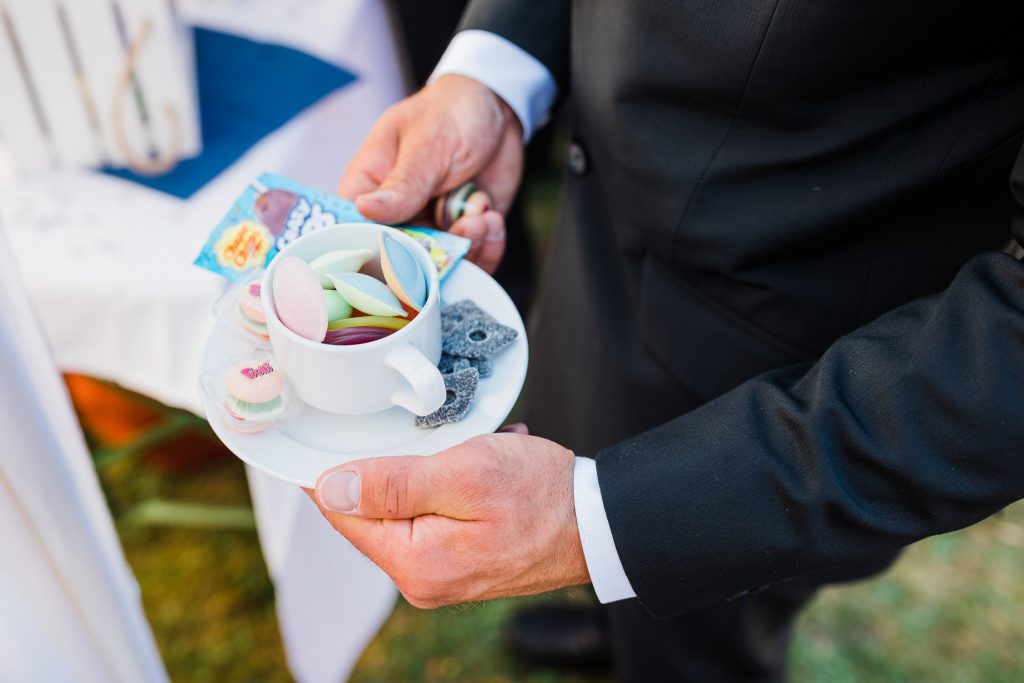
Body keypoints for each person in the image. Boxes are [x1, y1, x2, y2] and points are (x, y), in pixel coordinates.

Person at [309, 2, 1024, 681]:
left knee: (700, 637)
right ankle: (616, 622)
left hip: (773, 396)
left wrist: (602, 522)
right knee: (625, 586)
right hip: (598, 267)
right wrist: (493, 74)